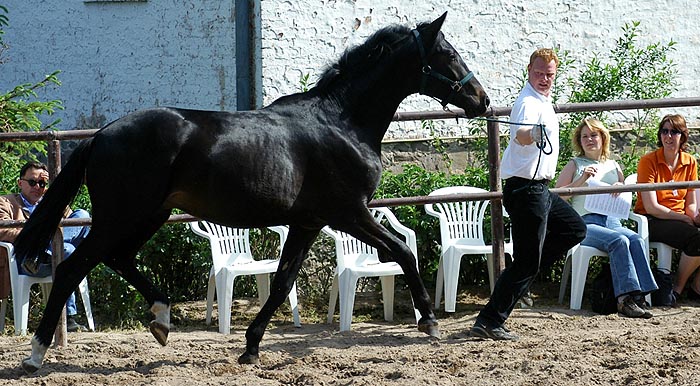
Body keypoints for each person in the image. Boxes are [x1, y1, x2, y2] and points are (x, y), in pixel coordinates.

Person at [469, 48, 586, 340]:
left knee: (574, 228)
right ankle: (490, 319)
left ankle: (521, 275)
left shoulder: (543, 100)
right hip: (526, 189)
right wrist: (532, 135)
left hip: (540, 189)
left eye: (549, 74)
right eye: (539, 73)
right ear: (529, 71)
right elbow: (519, 134)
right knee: (526, 260)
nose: (544, 78)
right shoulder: (527, 103)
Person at [555, 118, 657, 318]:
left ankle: (640, 296)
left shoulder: (613, 165)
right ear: (579, 141)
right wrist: (581, 180)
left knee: (635, 239)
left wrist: (621, 186)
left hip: (612, 220)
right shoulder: (575, 164)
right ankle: (624, 301)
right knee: (619, 240)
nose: (589, 139)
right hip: (586, 222)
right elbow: (558, 196)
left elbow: (625, 196)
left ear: (603, 138)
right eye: (585, 136)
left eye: (593, 135)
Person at [0, 161, 90, 332]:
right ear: (20, 183)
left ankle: (46, 251)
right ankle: (68, 318)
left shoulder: (49, 200)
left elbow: (72, 224)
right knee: (68, 252)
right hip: (27, 261)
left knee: (82, 217)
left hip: (51, 257)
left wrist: (53, 193)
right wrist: (36, 238)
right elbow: (3, 229)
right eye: (32, 182)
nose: (37, 187)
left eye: (42, 183)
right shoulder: (6, 202)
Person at [635, 114, 700, 302]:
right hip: (652, 220)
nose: (669, 136)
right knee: (697, 238)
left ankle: (696, 287)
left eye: (674, 132)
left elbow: (691, 202)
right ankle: (677, 289)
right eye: (665, 131)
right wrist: (684, 219)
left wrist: (694, 217)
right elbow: (651, 206)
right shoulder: (648, 161)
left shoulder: (690, 162)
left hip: (679, 220)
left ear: (683, 136)